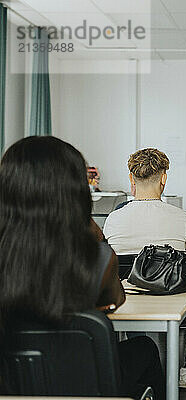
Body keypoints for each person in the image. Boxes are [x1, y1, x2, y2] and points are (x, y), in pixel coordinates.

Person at [0, 137, 165, 400]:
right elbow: (114, 300)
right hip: (87, 382)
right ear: (75, 190)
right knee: (144, 348)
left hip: (13, 384)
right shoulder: (97, 259)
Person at [103, 148, 186, 389]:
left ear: (132, 179)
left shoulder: (113, 219)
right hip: (173, 295)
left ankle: (141, 347)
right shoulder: (182, 217)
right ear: (164, 178)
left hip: (127, 297)